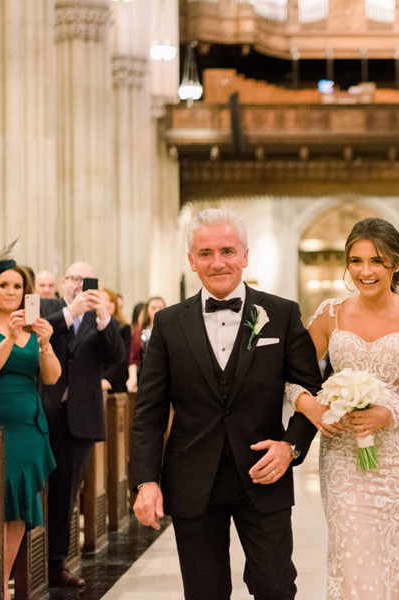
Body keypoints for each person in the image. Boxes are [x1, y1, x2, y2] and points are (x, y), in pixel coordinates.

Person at [131, 208, 323, 600]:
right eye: (205, 253)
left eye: (227, 251)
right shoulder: (168, 323)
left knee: (275, 587)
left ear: (245, 255)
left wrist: (291, 447)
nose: (217, 262)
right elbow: (148, 413)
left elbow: (311, 391)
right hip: (192, 478)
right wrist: (147, 481)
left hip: (263, 474)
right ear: (191, 261)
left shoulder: (281, 314)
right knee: (204, 592)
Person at [291, 217, 399, 600]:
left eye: (377, 262)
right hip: (344, 457)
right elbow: (291, 375)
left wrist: (390, 412)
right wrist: (311, 406)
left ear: (397, 264)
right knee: (352, 558)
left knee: (393, 560)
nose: (365, 272)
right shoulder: (329, 314)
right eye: (356, 261)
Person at [40, 262, 126, 587]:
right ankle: (26, 562)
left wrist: (103, 316)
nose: (80, 285)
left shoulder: (98, 318)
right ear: (64, 282)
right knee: (37, 489)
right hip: (44, 411)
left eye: (86, 281)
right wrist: (69, 312)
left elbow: (116, 355)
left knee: (66, 492)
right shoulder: (49, 307)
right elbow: (35, 334)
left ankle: (55, 565)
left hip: (80, 416)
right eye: (75, 279)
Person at [0, 251, 59, 598]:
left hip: (28, 430)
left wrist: (44, 344)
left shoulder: (31, 329)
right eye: (3, 285)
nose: (12, 291)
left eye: (17, 286)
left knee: (17, 510)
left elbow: (52, 376)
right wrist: (11, 338)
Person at [101, 288, 132, 394]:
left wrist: (106, 378)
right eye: (105, 300)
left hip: (117, 381)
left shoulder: (124, 327)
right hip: (95, 382)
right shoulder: (91, 326)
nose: (108, 304)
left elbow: (123, 359)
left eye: (111, 301)